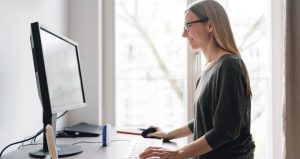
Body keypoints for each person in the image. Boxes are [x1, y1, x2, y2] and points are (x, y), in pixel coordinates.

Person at [139, 0, 255, 159]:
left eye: (188, 26)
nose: (183, 34)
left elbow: (224, 130)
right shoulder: (207, 70)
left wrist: (178, 153)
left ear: (210, 26)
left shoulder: (230, 66)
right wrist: (168, 134)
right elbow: (203, 120)